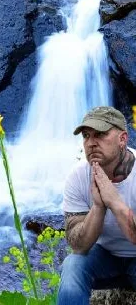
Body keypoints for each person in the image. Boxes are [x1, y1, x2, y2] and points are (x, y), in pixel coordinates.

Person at [57, 106, 136, 304]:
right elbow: (78, 246)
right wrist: (98, 208)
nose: (91, 143)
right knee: (72, 264)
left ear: (123, 139)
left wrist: (115, 202)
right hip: (105, 258)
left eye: (100, 134)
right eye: (86, 136)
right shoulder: (77, 176)